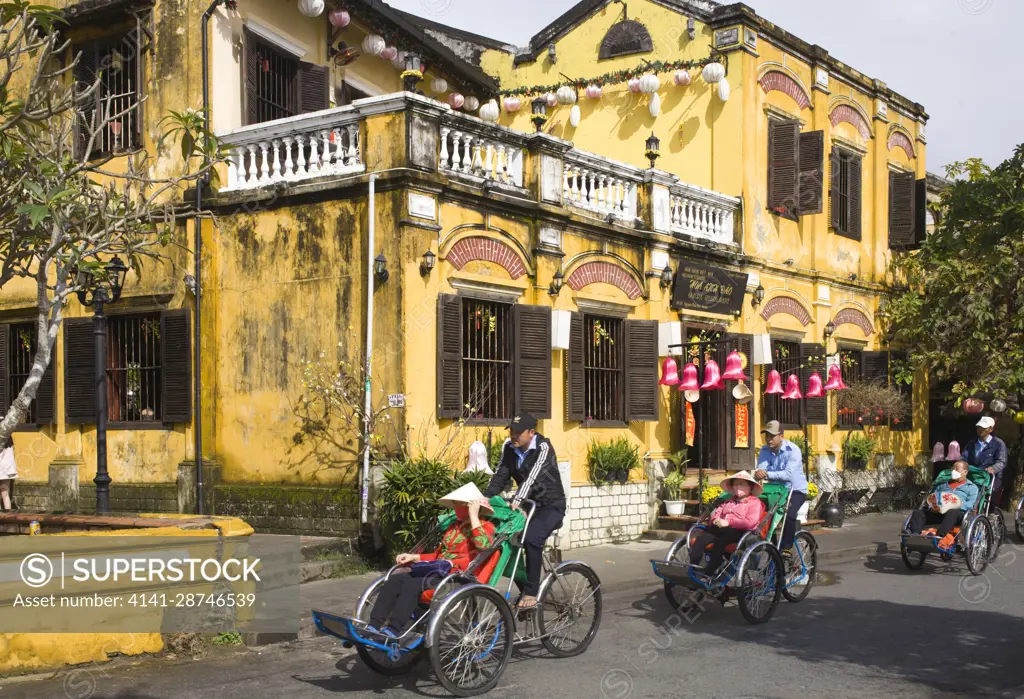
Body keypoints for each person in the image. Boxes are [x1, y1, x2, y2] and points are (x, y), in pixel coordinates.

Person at [369, 483, 496, 637]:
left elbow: (484, 546)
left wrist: (474, 516)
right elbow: (439, 556)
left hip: (459, 577)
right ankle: (373, 625)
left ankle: (394, 629)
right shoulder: (454, 527)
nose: (456, 508)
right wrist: (414, 557)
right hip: (438, 571)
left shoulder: (486, 526)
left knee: (413, 584)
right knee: (396, 579)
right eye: (455, 504)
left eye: (460, 504)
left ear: (472, 506)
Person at [481, 412, 565, 611]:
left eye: (519, 432)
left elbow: (533, 476)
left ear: (531, 433)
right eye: (512, 431)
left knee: (532, 539)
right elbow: (501, 475)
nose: (514, 436)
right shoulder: (509, 448)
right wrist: (484, 498)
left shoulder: (544, 447)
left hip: (550, 506)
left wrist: (517, 500)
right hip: (528, 505)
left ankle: (532, 591)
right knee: (504, 540)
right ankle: (524, 586)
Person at [689, 471, 766, 578]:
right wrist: (715, 519)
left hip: (738, 532)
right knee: (700, 539)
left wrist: (728, 522)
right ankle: (693, 569)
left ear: (750, 487)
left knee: (720, 541)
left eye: (741, 484)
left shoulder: (755, 503)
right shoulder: (727, 501)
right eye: (735, 484)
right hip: (718, 529)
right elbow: (717, 513)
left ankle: (711, 571)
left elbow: (750, 522)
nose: (738, 487)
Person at [753, 420, 808, 561]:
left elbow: (787, 475)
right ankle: (772, 546)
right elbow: (761, 470)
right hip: (775, 490)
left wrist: (767, 473)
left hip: (795, 490)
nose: (769, 439)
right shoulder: (765, 450)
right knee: (762, 514)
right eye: (767, 436)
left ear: (781, 436)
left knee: (789, 514)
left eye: (772, 436)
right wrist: (760, 472)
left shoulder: (793, 450)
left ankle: (787, 548)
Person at [906, 459, 979, 550]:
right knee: (918, 512)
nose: (953, 471)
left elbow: (970, 504)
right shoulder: (942, 485)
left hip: (957, 514)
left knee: (953, 512)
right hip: (939, 512)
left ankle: (939, 536)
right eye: (953, 469)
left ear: (965, 472)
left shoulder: (972, 487)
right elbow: (933, 498)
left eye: (957, 469)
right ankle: (915, 536)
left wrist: (955, 505)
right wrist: (932, 506)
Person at [963, 416, 1007, 507]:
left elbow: (1001, 461)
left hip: (991, 476)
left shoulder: (999, 444)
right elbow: (964, 457)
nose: (980, 430)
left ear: (990, 429)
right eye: (979, 427)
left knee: (991, 493)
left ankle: (990, 513)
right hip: (974, 474)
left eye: (983, 428)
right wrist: (960, 465)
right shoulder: (971, 443)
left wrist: (993, 468)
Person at [0, 436, 16, 512]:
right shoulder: (10, 445)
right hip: (7, 472)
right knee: (5, 495)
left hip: (2, 470)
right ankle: (8, 517)